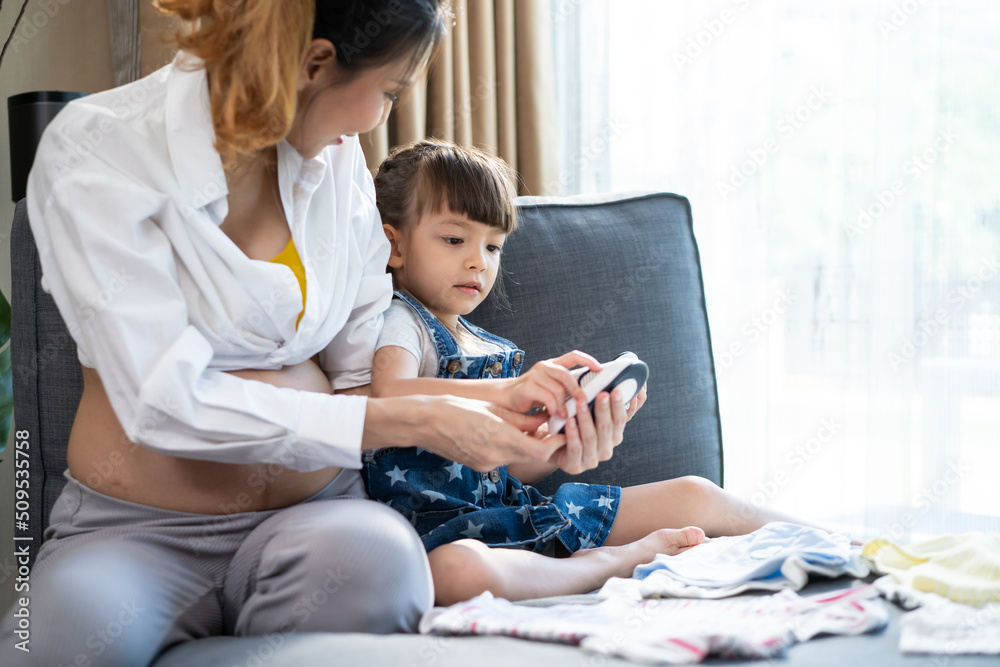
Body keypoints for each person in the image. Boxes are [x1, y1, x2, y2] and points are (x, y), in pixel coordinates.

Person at [1, 2, 630, 665]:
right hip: (134, 531)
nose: (378, 119)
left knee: (385, 563)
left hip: (319, 517)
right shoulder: (97, 149)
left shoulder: (339, 164)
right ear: (315, 62)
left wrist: (509, 408)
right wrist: (418, 417)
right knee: (52, 645)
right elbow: (165, 401)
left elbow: (367, 383)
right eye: (387, 92)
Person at [365, 139, 824, 606]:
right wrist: (511, 389)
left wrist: (563, 437)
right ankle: (613, 562)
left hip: (513, 514)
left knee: (695, 493)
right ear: (394, 245)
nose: (478, 261)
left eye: (493, 246)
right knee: (457, 572)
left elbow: (509, 465)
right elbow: (387, 394)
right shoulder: (404, 322)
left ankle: (845, 545)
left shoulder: (483, 343)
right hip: (444, 535)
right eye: (453, 239)